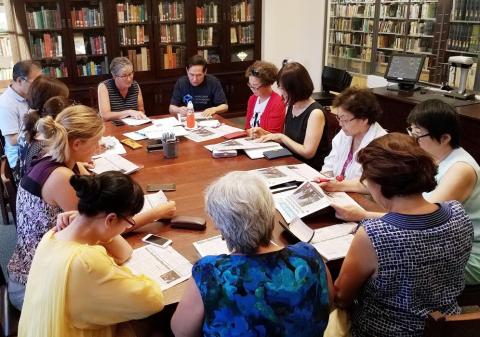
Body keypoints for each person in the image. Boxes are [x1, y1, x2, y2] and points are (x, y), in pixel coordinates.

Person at [7, 105, 176, 310]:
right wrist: (156, 214)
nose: (100, 148)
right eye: (96, 143)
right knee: (127, 306)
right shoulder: (62, 178)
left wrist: (82, 168)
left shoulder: (54, 158)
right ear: (76, 143)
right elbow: (105, 227)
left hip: (41, 268)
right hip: (33, 287)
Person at [334, 133, 473, 337]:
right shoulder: (457, 212)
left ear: (378, 184)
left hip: (382, 332)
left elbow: (341, 297)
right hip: (448, 328)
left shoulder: (375, 234)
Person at [171, 171, 333, 337]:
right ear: (271, 213)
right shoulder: (309, 256)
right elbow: (328, 303)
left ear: (220, 228)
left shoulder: (210, 272)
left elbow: (181, 332)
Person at [18, 171, 164, 337]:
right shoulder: (86, 262)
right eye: (129, 221)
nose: (125, 228)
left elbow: (125, 252)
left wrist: (81, 220)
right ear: (110, 219)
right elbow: (152, 301)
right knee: (156, 325)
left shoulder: (51, 236)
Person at [407, 99, 480, 285]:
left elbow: (426, 214)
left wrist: (366, 214)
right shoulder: (432, 156)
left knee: (395, 265)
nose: (413, 140)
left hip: (469, 254)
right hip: (443, 241)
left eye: (418, 135)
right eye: (412, 131)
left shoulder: (461, 168)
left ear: (445, 138)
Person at [257, 62, 330, 170]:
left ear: (295, 89)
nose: (280, 92)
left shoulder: (315, 113)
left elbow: (308, 152)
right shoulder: (293, 105)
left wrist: (281, 136)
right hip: (291, 163)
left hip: (309, 169)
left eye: (283, 88)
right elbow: (291, 142)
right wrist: (267, 135)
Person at [320, 87, 386, 180]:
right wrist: (324, 179)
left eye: (345, 120)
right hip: (336, 191)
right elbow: (329, 165)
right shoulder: (346, 133)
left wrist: (338, 186)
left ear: (364, 120)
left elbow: (370, 184)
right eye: (339, 118)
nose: (340, 124)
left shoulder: (380, 144)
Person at [19, 76, 70, 177]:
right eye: (63, 100)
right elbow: (58, 170)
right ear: (54, 103)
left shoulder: (31, 118)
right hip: (38, 184)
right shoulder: (45, 133)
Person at [0, 61, 41, 173]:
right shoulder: (5, 103)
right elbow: (12, 140)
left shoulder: (30, 94)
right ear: (19, 81)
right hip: (19, 161)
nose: (39, 85)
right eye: (35, 82)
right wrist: (40, 133)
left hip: (35, 149)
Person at [98, 57, 147, 121]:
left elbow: (141, 110)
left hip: (133, 125)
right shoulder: (104, 87)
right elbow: (105, 116)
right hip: (113, 127)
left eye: (130, 74)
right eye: (124, 76)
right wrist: (129, 112)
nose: (129, 79)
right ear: (114, 76)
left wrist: (140, 116)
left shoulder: (135, 85)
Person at [244, 60, 285, 135]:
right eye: (250, 85)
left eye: (255, 86)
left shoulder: (278, 103)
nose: (251, 88)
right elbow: (247, 127)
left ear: (267, 84)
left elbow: (274, 134)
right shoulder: (252, 99)